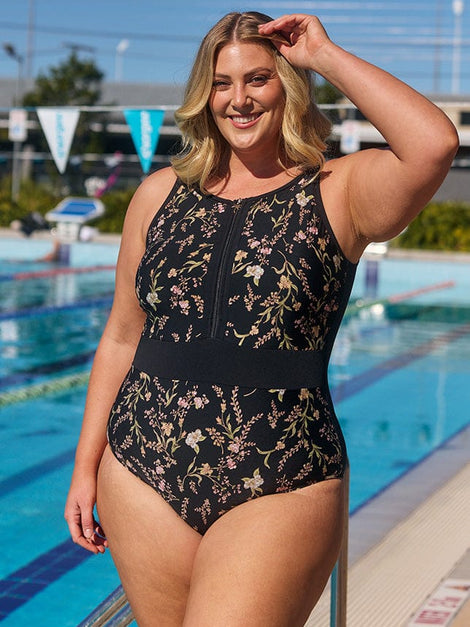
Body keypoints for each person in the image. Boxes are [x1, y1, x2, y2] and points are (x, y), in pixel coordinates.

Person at [65, 11, 458, 626]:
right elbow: (122, 335)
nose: (239, 99)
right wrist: (85, 465)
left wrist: (323, 54)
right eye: (221, 83)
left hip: (281, 475)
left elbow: (434, 144)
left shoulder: (338, 188)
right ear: (204, 95)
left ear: (288, 86)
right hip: (142, 468)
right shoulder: (159, 194)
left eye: (257, 79)